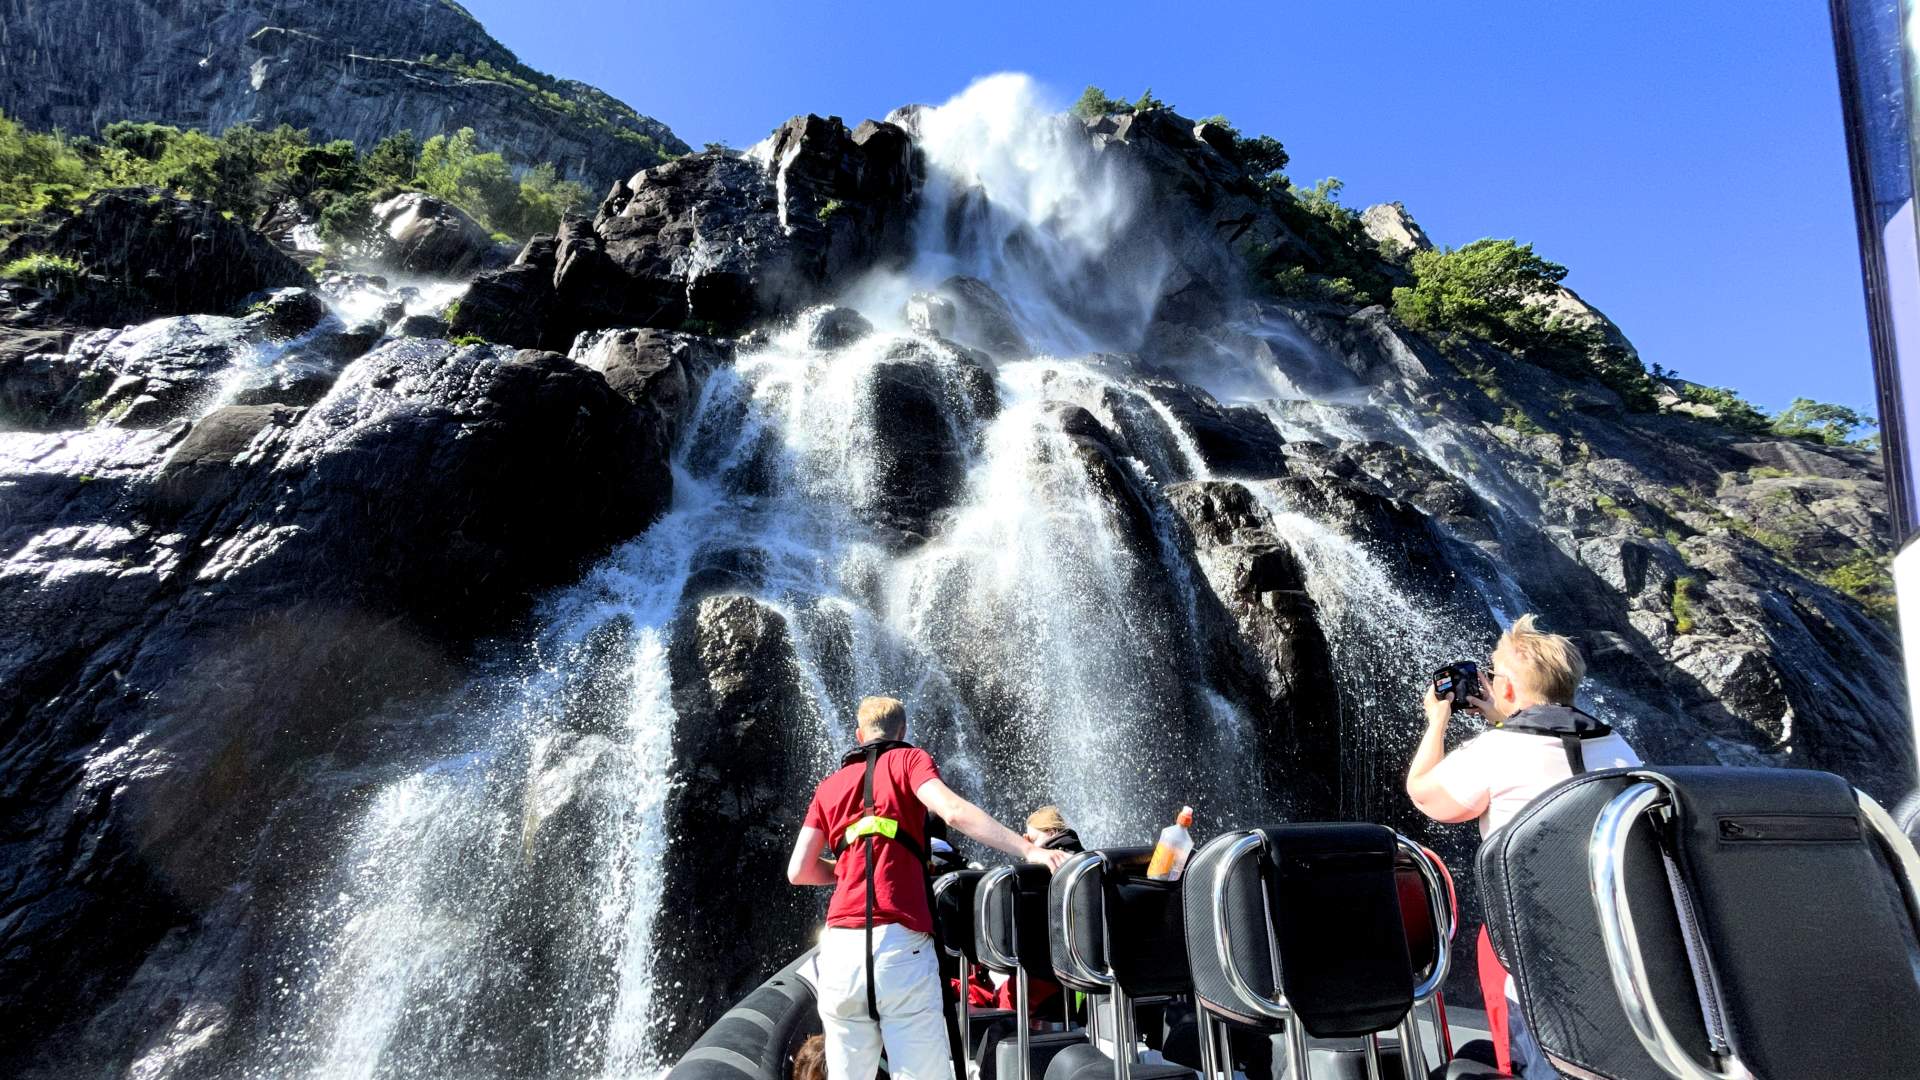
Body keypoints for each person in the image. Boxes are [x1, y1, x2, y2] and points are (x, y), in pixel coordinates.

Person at [1404, 614, 1642, 1079]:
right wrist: (1503, 719)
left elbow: (1424, 793)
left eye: (1493, 676)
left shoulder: (1495, 753)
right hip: (1613, 935)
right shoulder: (1618, 747)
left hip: (1533, 943)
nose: (1487, 682)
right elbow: (1547, 743)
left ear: (1509, 688)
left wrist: (1436, 723)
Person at [788, 696, 1071, 1080]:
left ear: (859, 735)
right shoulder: (909, 760)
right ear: (902, 732)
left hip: (840, 953)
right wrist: (1027, 849)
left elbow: (798, 871)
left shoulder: (829, 786)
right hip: (899, 946)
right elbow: (952, 811)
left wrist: (851, 867)